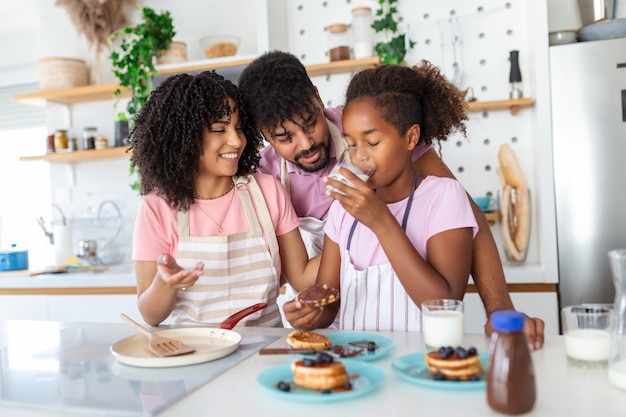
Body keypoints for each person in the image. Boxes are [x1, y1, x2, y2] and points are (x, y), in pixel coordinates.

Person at [238, 51, 545, 347]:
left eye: (309, 124)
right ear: (265, 134)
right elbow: (315, 284)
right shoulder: (264, 177)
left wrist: (500, 309)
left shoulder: (371, 120)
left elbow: (467, 218)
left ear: (318, 98)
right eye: (285, 137)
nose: (306, 144)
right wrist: (311, 307)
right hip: (343, 333)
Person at [281, 62, 478, 331]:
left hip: (420, 367)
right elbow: (329, 302)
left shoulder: (443, 197)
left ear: (411, 138)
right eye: (351, 144)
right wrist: (308, 312)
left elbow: (444, 302)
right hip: (359, 368)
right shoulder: (343, 208)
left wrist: (381, 221)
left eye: (372, 143)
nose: (359, 156)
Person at [130, 70, 319, 327]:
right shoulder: (157, 207)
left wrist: (346, 226)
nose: (236, 140)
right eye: (220, 129)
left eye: (239, 127)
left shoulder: (267, 191)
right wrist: (165, 284)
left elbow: (302, 279)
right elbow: (150, 315)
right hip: (195, 355)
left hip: (264, 353)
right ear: (184, 137)